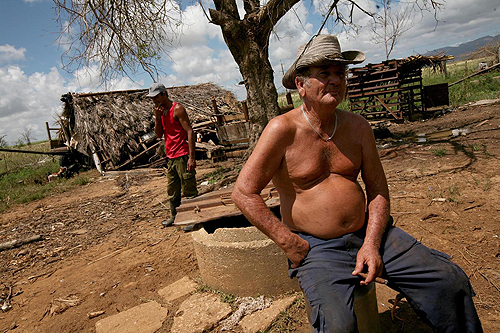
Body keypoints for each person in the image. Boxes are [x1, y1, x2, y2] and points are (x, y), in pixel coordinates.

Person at [231, 35, 482, 332]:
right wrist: (289, 242)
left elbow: (377, 190)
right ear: (301, 84)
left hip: (370, 233)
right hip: (317, 248)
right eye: (325, 73)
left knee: (449, 280)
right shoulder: (282, 130)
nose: (336, 80)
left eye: (341, 73)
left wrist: (372, 244)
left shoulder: (358, 127)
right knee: (338, 326)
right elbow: (243, 192)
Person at [148, 82, 198, 227]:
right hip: (171, 157)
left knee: (189, 189)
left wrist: (191, 157)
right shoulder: (161, 112)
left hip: (183, 155)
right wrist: (157, 117)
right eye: (152, 99)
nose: (154, 101)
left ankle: (195, 219)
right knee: (172, 190)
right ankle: (175, 216)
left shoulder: (177, 109)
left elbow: (189, 131)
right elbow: (158, 135)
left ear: (164, 94)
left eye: (156, 97)